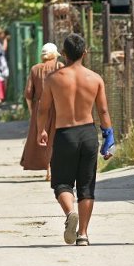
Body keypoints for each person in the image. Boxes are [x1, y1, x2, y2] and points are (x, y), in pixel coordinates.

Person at [37, 34, 115, 246]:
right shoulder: (95, 78)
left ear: (64, 54)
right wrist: (109, 138)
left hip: (65, 134)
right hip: (88, 134)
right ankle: (83, 234)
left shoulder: (53, 79)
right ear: (84, 53)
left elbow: (43, 109)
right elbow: (104, 110)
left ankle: (70, 212)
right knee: (86, 187)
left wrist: (41, 131)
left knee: (62, 183)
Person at [21, 43, 64, 181]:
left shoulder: (35, 69)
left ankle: (48, 169)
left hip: (39, 107)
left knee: (42, 138)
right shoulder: (60, 67)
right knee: (55, 138)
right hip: (57, 106)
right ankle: (54, 168)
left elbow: (28, 94)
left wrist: (32, 110)